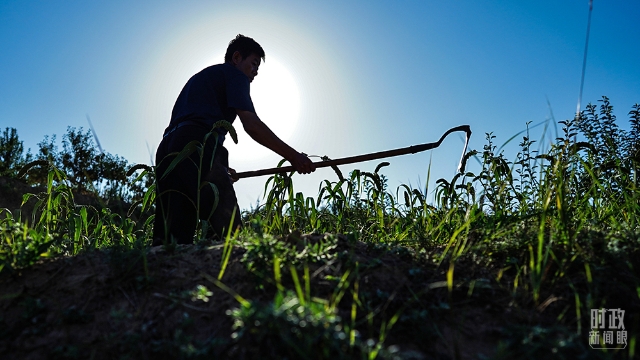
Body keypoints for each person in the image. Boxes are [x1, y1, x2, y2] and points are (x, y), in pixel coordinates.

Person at [153, 34, 315, 245]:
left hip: (169, 149)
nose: (255, 72)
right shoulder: (234, 75)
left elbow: (193, 125)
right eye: (254, 64)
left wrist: (220, 167)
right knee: (229, 232)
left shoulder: (202, 77)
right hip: (198, 146)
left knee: (171, 236)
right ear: (237, 57)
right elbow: (251, 124)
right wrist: (294, 157)